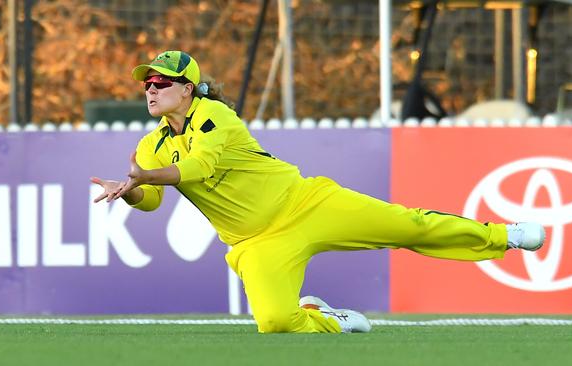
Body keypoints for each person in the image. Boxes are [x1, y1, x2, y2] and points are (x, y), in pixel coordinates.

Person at [91, 50, 546, 334]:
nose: (150, 89)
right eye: (146, 84)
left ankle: (502, 236)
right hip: (255, 242)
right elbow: (149, 201)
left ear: (187, 89)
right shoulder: (150, 144)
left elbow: (198, 167)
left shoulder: (214, 115)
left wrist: (146, 176)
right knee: (274, 323)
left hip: (305, 204)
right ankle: (327, 317)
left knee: (407, 225)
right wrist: (129, 189)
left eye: (160, 83)